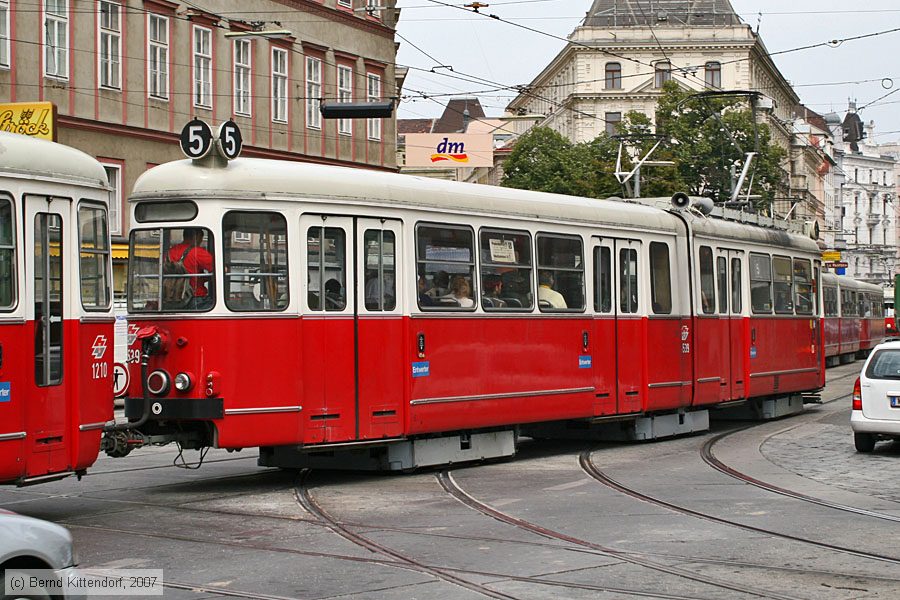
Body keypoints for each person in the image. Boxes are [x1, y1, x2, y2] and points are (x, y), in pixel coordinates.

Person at [167, 228, 214, 309]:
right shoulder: (198, 252)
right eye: (201, 239)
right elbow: (221, 270)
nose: (200, 242)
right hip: (195, 297)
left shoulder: (170, 252)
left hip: (173, 297)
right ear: (196, 237)